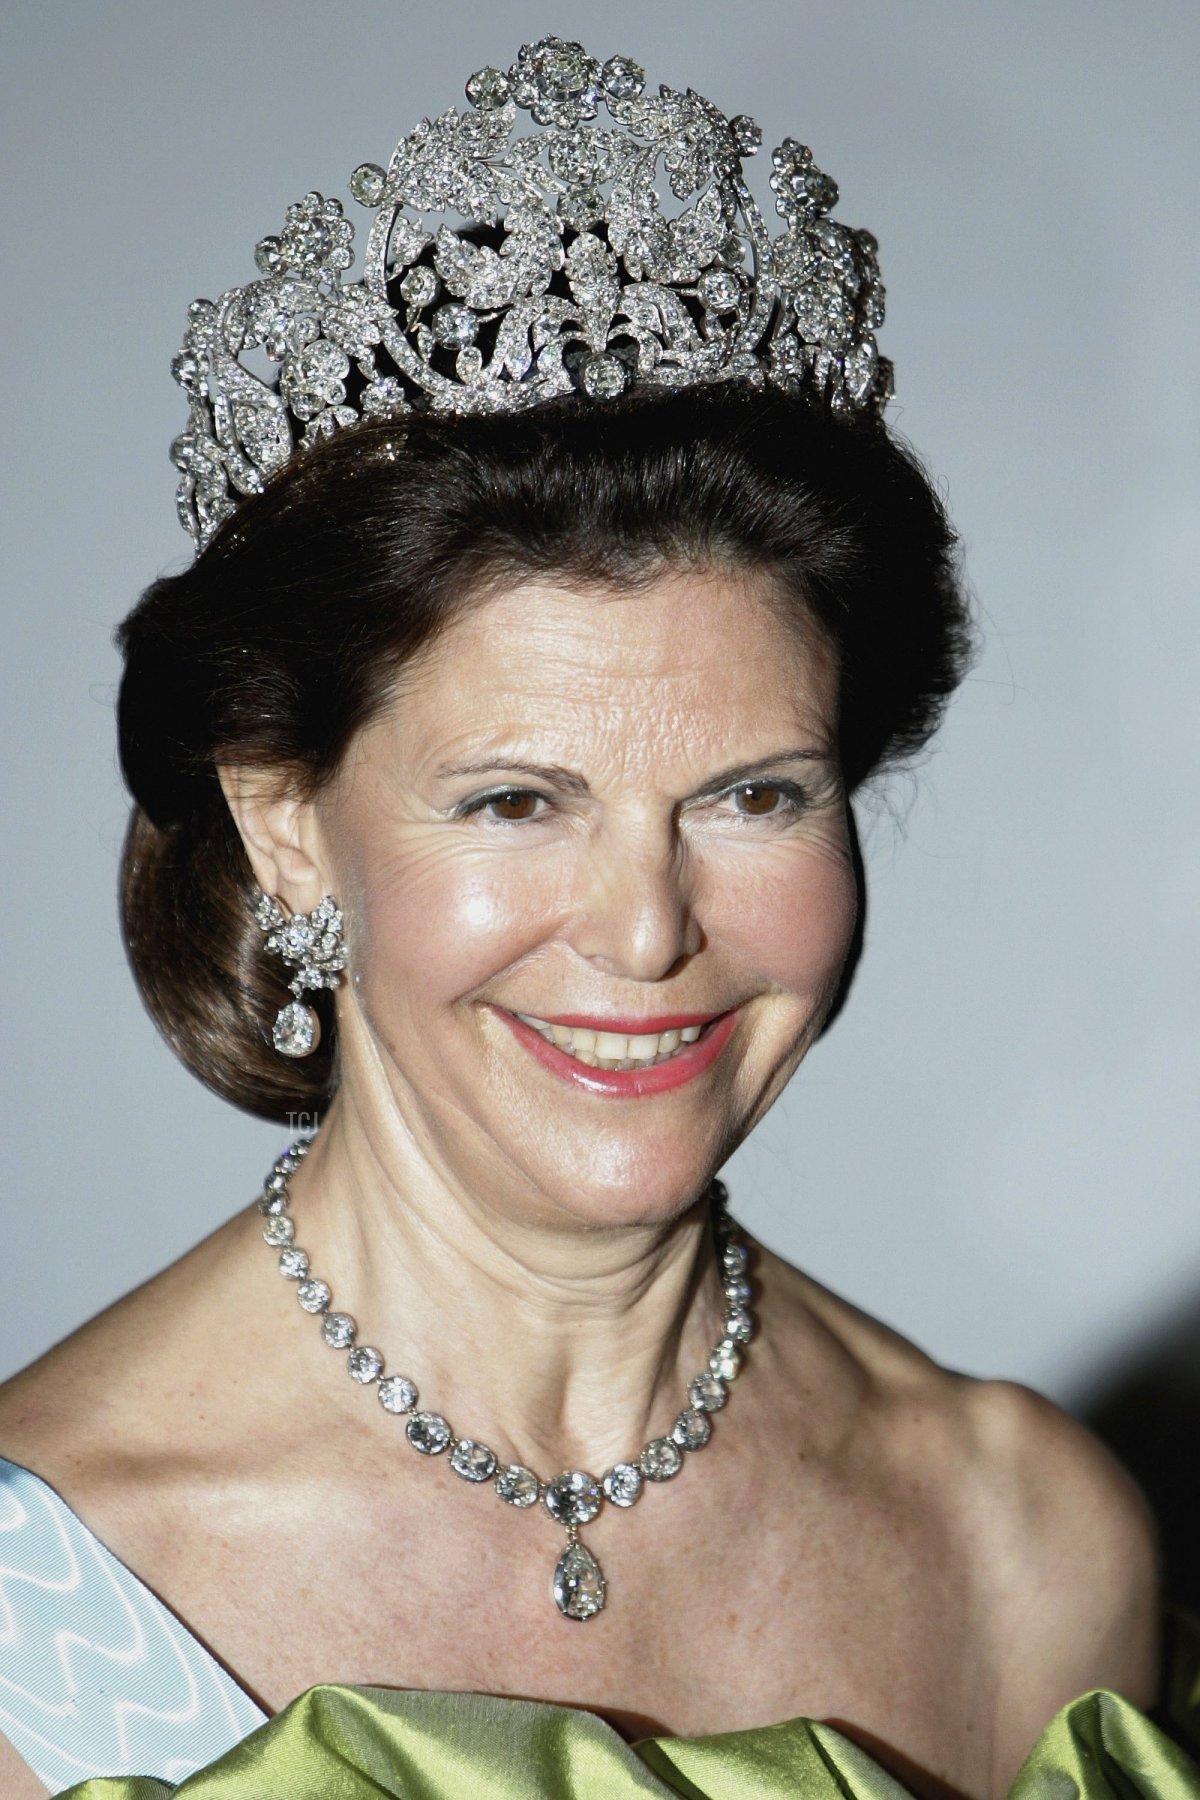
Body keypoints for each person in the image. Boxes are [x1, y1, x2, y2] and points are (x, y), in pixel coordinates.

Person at [0, 33, 1194, 1800]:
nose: (648, 930)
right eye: (514, 802)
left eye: (754, 795)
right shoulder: (47, 1601)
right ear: (287, 826)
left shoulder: (1027, 1542)